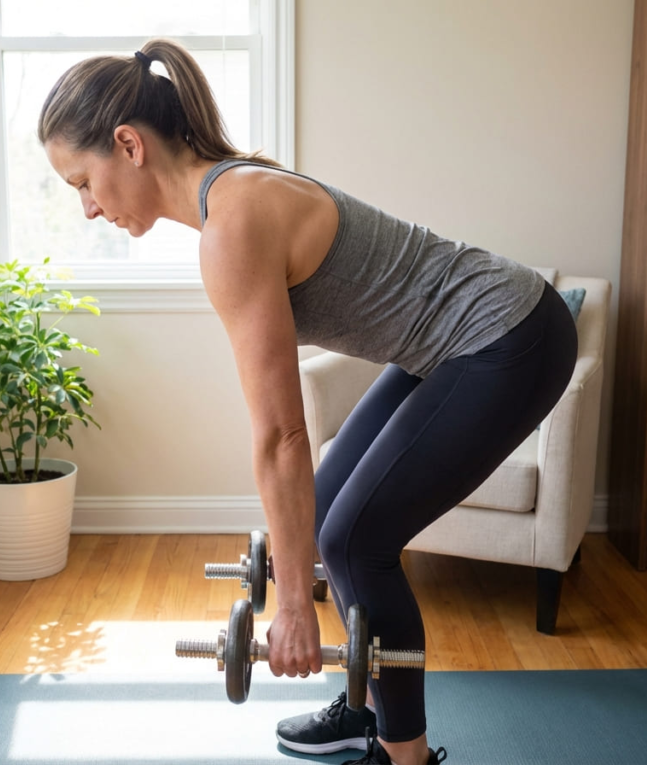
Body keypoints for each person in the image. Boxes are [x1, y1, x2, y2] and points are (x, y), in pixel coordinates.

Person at [38, 39, 577, 765]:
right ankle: (364, 706)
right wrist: (290, 573)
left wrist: (294, 604)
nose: (88, 208)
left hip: (510, 336)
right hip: (452, 341)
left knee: (356, 538)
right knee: (328, 516)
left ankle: (405, 756)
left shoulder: (232, 223)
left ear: (127, 144)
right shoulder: (231, 194)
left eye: (82, 181)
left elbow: (282, 436)